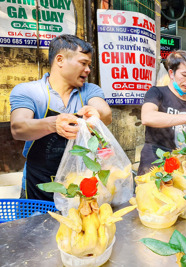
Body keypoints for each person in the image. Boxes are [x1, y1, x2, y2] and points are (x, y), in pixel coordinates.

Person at [9, 34, 112, 201]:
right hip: (38, 184)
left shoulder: (89, 90)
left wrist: (96, 115)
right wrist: (53, 124)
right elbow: (18, 128)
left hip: (79, 183)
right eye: (83, 63)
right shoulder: (29, 91)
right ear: (60, 60)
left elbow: (106, 114)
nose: (88, 70)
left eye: (89, 65)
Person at [138, 50, 186, 175]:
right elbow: (147, 117)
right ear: (171, 73)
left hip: (180, 165)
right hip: (154, 162)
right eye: (184, 75)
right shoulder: (157, 92)